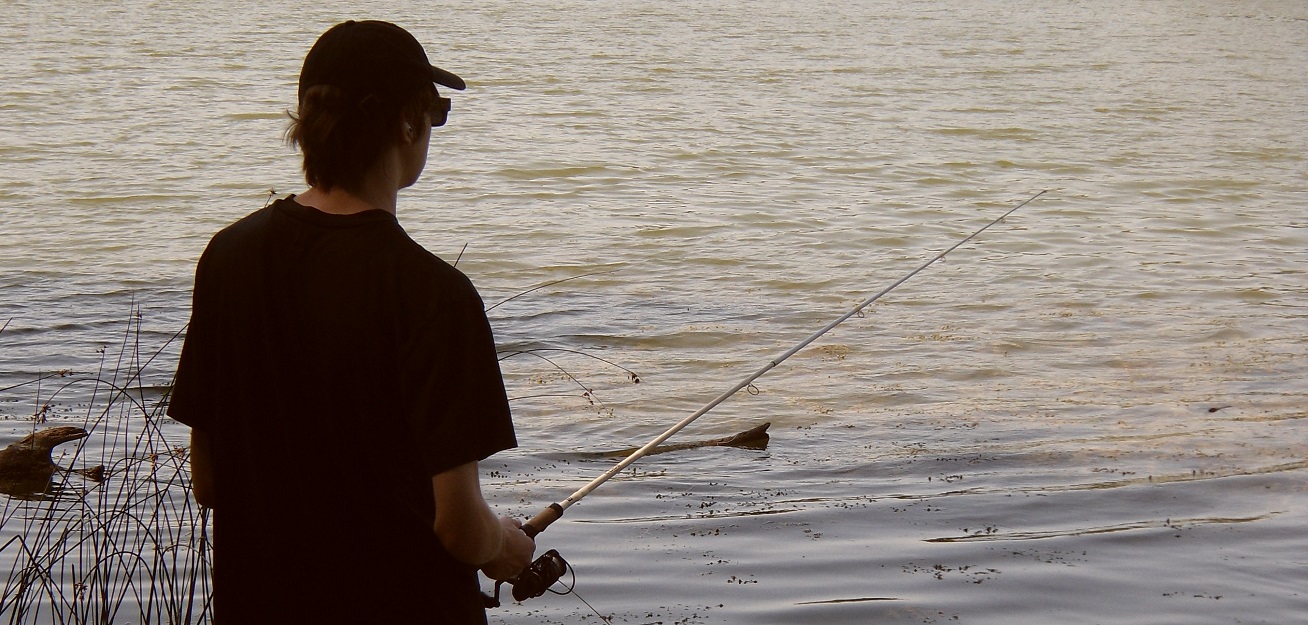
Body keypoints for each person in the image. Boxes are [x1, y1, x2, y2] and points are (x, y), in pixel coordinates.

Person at [168, 20, 535, 624]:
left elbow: (210, 483)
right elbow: (462, 529)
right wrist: (504, 544)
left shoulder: (227, 258)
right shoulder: (435, 295)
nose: (432, 129)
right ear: (406, 123)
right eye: (435, 112)